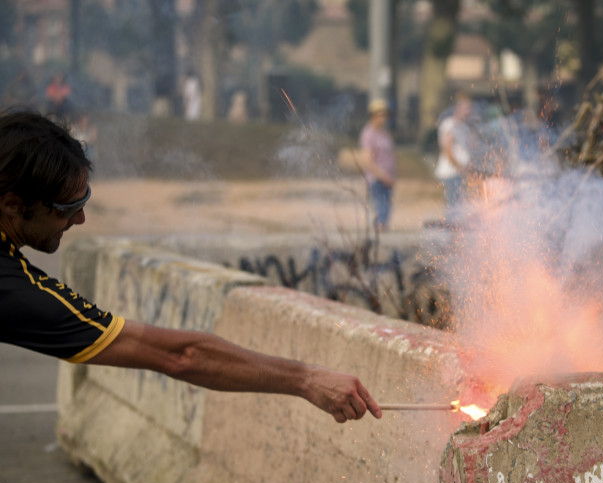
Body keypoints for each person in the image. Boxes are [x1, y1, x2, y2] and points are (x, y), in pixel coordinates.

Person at [0, 110, 381, 424]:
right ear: (13, 205)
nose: (80, 219)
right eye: (67, 208)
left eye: (84, 200)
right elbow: (183, 356)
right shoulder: (11, 287)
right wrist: (307, 379)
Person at [434, 92, 473, 222]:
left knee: (460, 204)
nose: (468, 112)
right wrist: (459, 167)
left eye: (469, 108)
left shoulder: (464, 127)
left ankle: (457, 227)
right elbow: (447, 149)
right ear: (457, 108)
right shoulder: (449, 125)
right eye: (465, 108)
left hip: (460, 172)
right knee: (454, 204)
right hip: (451, 172)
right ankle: (452, 228)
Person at [358, 98, 396, 232]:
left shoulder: (384, 133)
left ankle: (382, 229)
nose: (383, 118)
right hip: (376, 178)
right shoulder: (369, 134)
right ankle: (379, 231)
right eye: (380, 115)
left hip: (387, 177)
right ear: (373, 116)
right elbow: (367, 159)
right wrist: (382, 175)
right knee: (380, 206)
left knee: (386, 206)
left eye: (385, 115)